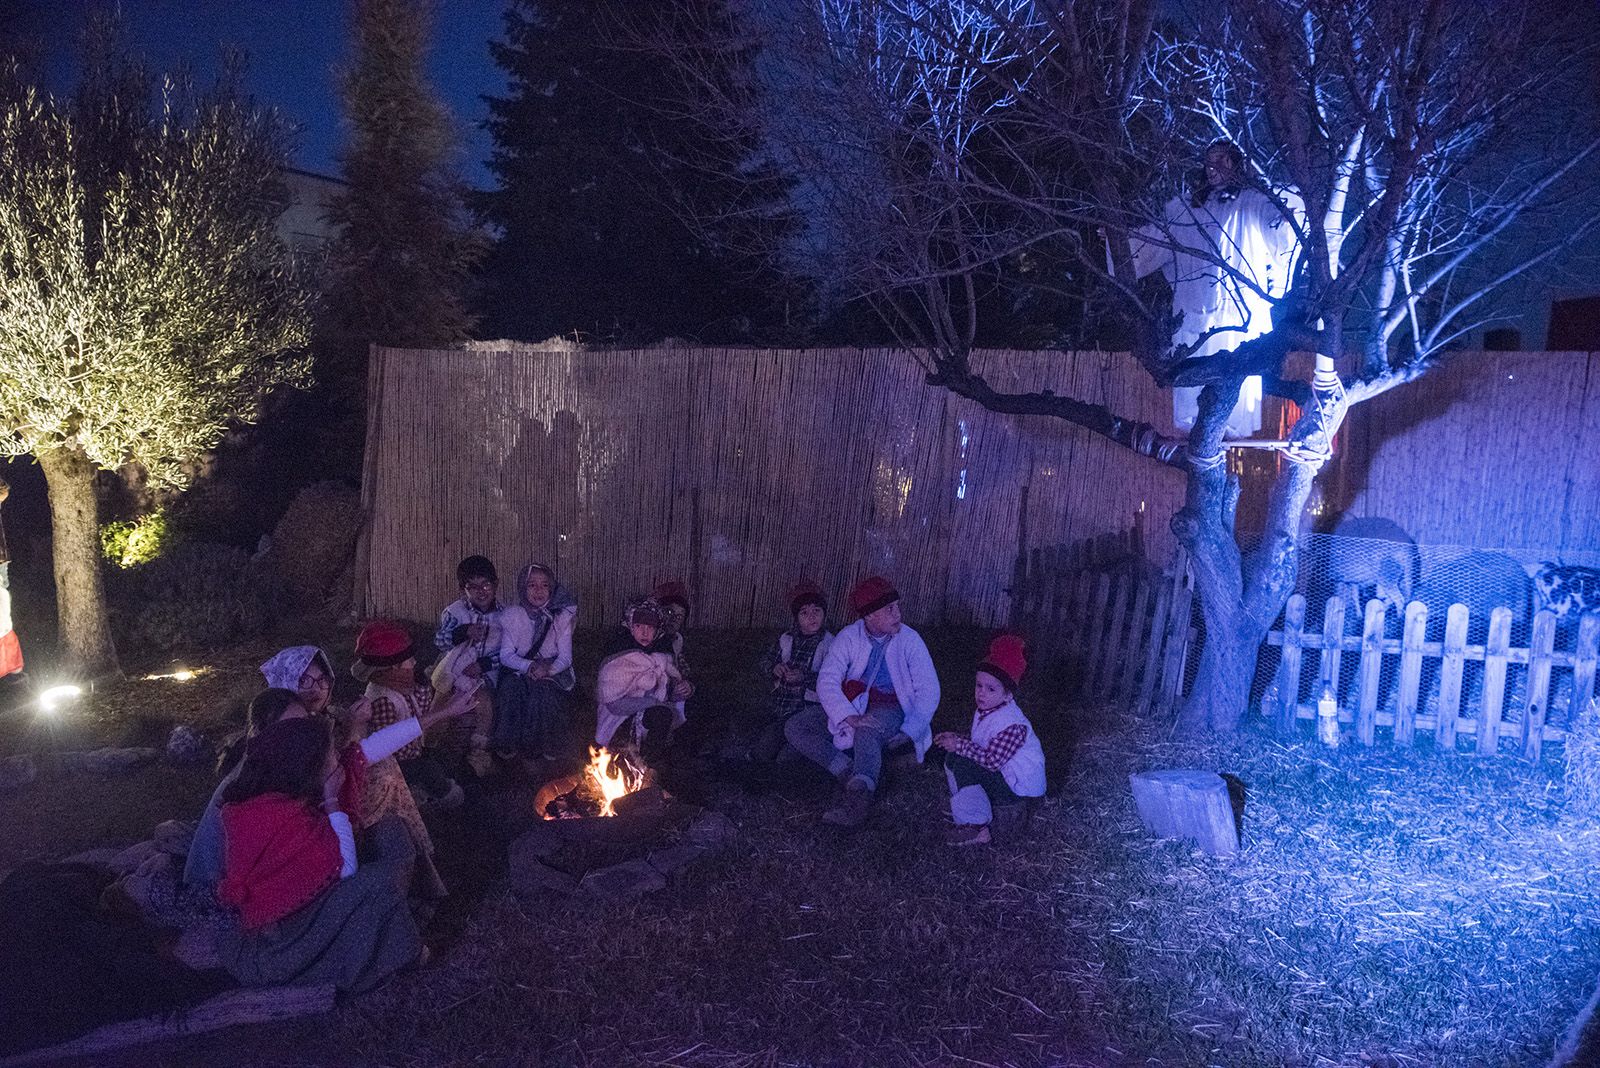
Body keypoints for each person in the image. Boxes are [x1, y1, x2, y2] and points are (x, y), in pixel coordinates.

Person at [214, 716, 424, 993]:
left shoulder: (291, 789)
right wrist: (332, 800)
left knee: (391, 831)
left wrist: (439, 714)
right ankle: (394, 956)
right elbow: (345, 869)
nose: (339, 756)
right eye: (332, 753)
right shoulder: (272, 816)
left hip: (313, 906)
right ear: (309, 766)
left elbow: (366, 751)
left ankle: (397, 918)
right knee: (378, 882)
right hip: (287, 943)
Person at [1131, 139, 1304, 437]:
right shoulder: (1186, 209)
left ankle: (1227, 434)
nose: (1214, 167)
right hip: (1197, 310)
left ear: (1236, 163)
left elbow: (1281, 225)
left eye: (1223, 159)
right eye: (1210, 160)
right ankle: (1197, 437)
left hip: (1240, 314)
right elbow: (1155, 239)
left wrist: (1291, 214)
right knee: (1196, 380)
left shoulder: (1251, 201)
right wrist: (1120, 243)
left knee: (1234, 378)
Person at [791, 576, 941, 829]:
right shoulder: (849, 637)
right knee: (796, 726)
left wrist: (910, 730)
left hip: (892, 707)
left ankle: (857, 801)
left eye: (897, 606)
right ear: (870, 616)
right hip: (856, 704)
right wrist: (848, 715)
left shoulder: (910, 639)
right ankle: (848, 770)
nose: (898, 614)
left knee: (867, 730)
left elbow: (929, 689)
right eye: (889, 609)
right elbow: (827, 681)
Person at [932, 635, 1046, 846]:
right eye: (979, 686)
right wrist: (957, 740)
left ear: (1008, 695)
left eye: (991, 689)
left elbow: (992, 761)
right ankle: (966, 809)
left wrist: (960, 745)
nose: (981, 694)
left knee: (966, 764)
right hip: (1002, 777)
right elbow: (982, 744)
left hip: (1017, 792)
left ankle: (977, 828)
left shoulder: (1014, 724)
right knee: (954, 758)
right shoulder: (989, 709)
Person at [355, 621, 465, 814]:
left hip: (415, 751)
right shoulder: (383, 700)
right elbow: (392, 747)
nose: (414, 663)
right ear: (392, 668)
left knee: (440, 763)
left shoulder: (402, 687)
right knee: (429, 773)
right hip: (400, 764)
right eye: (408, 660)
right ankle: (431, 803)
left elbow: (420, 708)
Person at [493, 560, 579, 761]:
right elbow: (506, 655)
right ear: (523, 588)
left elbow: (566, 658)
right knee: (511, 689)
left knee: (544, 693)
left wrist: (548, 670)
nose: (538, 590)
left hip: (553, 672)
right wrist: (529, 666)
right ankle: (508, 745)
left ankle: (546, 748)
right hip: (523, 669)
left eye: (544, 585)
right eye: (532, 585)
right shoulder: (513, 616)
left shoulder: (561, 617)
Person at [433, 555, 508, 777]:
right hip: (454, 672)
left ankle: (478, 754)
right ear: (463, 589)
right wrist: (461, 633)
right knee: (444, 703)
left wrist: (484, 664)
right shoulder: (455, 612)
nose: (480, 591)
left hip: (486, 674)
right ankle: (435, 746)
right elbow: (439, 641)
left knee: (483, 704)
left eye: (485, 584)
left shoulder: (504, 616)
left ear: (495, 584)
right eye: (472, 587)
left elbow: (507, 652)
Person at [750, 579, 834, 761]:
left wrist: (805, 677)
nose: (811, 617)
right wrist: (775, 668)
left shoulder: (830, 644)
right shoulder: (786, 640)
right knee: (763, 740)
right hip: (781, 704)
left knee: (783, 749)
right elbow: (765, 661)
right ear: (796, 618)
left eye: (816, 611)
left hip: (808, 708)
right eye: (804, 613)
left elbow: (833, 679)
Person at [594, 597, 683, 758]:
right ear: (630, 625)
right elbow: (610, 697)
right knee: (621, 745)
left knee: (663, 715)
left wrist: (682, 689)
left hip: (649, 714)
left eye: (650, 627)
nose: (644, 632)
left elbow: (669, 690)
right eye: (638, 626)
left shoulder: (662, 654)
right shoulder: (618, 651)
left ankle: (649, 766)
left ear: (658, 630)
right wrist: (648, 702)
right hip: (620, 715)